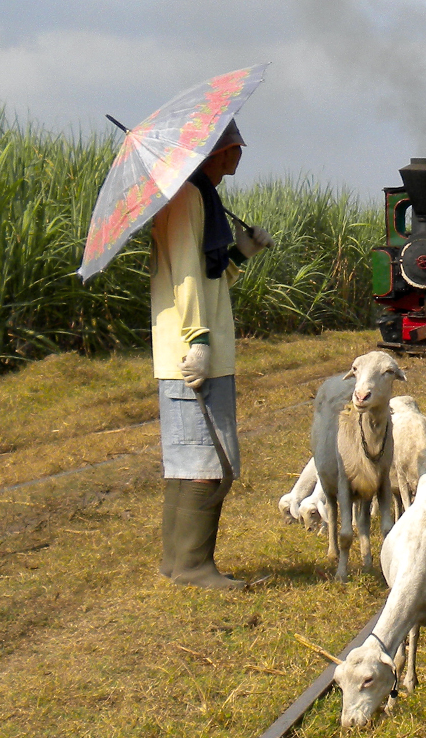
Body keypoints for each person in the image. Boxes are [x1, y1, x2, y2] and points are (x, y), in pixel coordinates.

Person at [151, 118, 273, 591]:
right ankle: (193, 566)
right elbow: (184, 273)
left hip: (199, 345)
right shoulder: (188, 197)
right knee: (206, 459)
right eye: (237, 144)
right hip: (191, 351)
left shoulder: (203, 195)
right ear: (219, 151)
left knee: (190, 457)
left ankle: (177, 561)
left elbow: (208, 276)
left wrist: (242, 252)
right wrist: (198, 340)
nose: (242, 152)